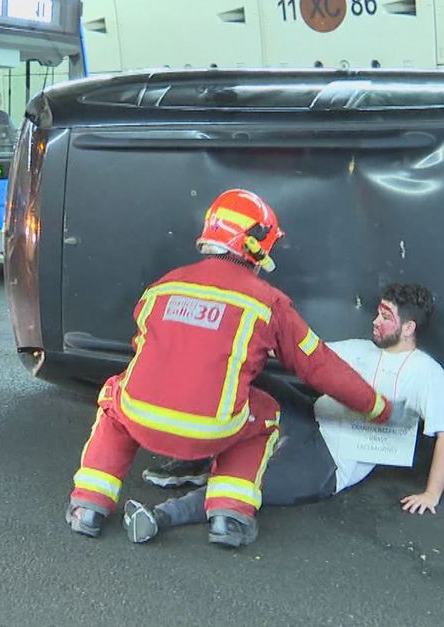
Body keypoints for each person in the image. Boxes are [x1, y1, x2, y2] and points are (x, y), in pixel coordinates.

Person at [65, 188, 393, 548]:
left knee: (115, 397)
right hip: (211, 430)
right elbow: (319, 367)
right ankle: (229, 516)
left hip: (142, 420)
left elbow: (145, 350)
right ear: (256, 246)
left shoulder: (163, 287)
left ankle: (88, 506)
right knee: (264, 412)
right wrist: (376, 407)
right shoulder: (268, 304)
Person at [127, 283, 444, 544]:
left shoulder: (428, 374)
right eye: (378, 312)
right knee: (259, 378)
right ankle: (199, 458)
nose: (375, 320)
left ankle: (161, 517)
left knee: (252, 485)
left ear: (408, 327)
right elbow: (306, 355)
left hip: (330, 461)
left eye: (386, 316)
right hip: (309, 417)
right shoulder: (359, 349)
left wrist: (431, 494)